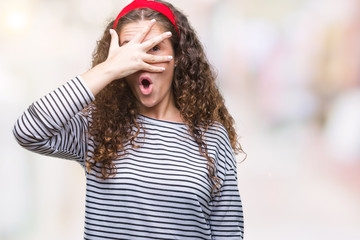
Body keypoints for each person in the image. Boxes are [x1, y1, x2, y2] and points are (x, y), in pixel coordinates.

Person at [13, 0, 244, 239]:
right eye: (129, 51)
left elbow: (228, 231)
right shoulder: (97, 128)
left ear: (178, 57)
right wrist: (108, 69)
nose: (140, 60)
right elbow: (28, 130)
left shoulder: (212, 137)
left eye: (154, 48)